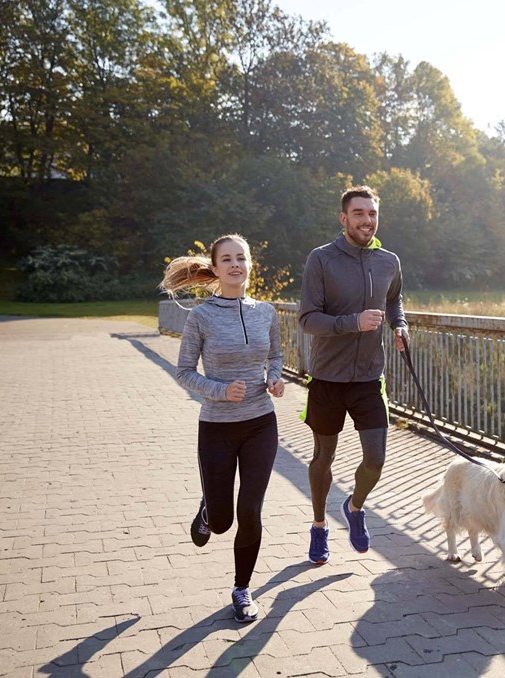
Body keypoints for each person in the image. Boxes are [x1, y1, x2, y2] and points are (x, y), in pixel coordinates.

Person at [159, 234, 285, 623]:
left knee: (250, 510)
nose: (235, 265)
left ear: (250, 265)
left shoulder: (266, 312)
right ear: (215, 268)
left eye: (241, 258)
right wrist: (221, 390)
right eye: (227, 259)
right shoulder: (201, 317)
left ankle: (242, 589)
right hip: (217, 427)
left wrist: (275, 378)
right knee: (222, 521)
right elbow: (183, 372)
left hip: (261, 424)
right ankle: (208, 513)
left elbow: (276, 355)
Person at [298, 185, 408, 566]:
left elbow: (393, 300)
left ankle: (354, 506)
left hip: (369, 378)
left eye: (372, 213)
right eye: (359, 213)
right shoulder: (321, 260)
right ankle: (318, 525)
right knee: (323, 457)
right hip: (327, 378)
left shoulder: (389, 261)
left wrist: (399, 325)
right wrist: (353, 323)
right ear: (343, 218)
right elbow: (308, 319)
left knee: (375, 459)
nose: (367, 220)